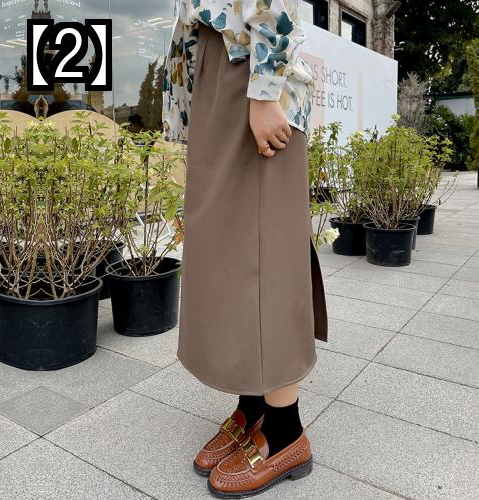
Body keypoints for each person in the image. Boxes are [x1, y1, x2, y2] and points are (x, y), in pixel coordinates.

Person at [162, 0, 328, 497]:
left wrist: (265, 90)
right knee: (232, 256)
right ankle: (254, 406)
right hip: (223, 66)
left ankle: (286, 431)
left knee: (266, 254)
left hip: (251, 70)